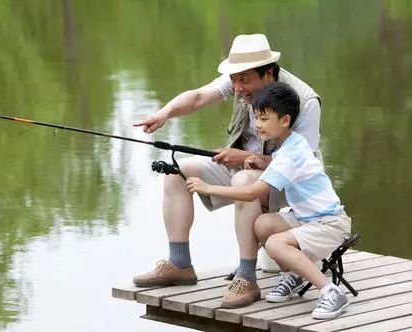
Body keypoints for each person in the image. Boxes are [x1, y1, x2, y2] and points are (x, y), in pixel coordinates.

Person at [132, 34, 321, 305]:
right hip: (242, 169)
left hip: (289, 183)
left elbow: (304, 167)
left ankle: (246, 278)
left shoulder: (306, 101)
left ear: (268, 74)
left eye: (244, 80)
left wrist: (245, 157)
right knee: (176, 171)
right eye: (234, 80)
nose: (238, 87)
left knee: (244, 180)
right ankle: (180, 263)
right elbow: (198, 97)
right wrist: (163, 114)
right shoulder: (239, 81)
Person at [186, 82, 352, 319]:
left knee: (275, 244)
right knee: (262, 225)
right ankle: (294, 275)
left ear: (284, 120)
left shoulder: (290, 153)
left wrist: (207, 187)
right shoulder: (290, 143)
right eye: (256, 118)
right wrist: (261, 161)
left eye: (264, 119)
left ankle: (331, 292)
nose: (257, 125)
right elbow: (282, 164)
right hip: (306, 218)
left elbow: (252, 193)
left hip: (329, 224)